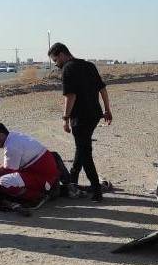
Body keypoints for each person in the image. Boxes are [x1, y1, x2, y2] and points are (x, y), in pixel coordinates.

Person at [48, 42, 112, 202]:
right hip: (94, 115)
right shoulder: (89, 65)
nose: (56, 64)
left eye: (55, 60)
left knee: (85, 152)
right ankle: (73, 180)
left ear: (62, 54)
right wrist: (107, 109)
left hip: (80, 117)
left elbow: (70, 96)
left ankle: (96, 190)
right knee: (82, 147)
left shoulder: (67, 69)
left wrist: (65, 119)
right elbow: (102, 89)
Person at [0, 122, 60, 204]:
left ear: (1, 135)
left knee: (3, 182)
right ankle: (47, 188)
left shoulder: (11, 146)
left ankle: (38, 196)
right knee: (3, 177)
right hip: (44, 170)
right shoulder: (14, 136)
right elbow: (10, 167)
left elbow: (8, 171)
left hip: (43, 176)